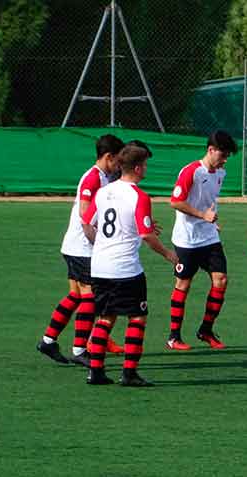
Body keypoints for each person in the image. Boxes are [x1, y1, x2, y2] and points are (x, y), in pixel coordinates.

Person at [81, 144, 178, 386]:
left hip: (100, 266)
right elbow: (146, 235)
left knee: (105, 317)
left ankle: (95, 371)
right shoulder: (140, 196)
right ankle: (129, 372)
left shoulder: (104, 192)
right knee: (137, 317)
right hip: (126, 269)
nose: (146, 169)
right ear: (137, 168)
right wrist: (168, 254)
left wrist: (101, 245)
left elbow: (86, 222)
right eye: (145, 165)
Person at [37, 134, 125, 367]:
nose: (120, 165)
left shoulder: (106, 177)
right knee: (90, 296)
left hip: (77, 247)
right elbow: (86, 217)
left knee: (76, 295)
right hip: (82, 247)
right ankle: (79, 349)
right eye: (118, 160)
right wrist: (101, 243)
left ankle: (48, 341)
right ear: (108, 157)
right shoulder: (93, 178)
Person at [165, 131, 238, 351]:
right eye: (222, 155)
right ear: (211, 150)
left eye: (227, 156)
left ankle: (205, 330)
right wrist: (202, 215)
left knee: (221, 280)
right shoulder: (191, 171)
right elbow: (175, 202)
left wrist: (212, 220)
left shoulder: (220, 173)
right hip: (187, 239)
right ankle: (174, 336)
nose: (224, 160)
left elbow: (209, 202)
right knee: (183, 285)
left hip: (209, 236)